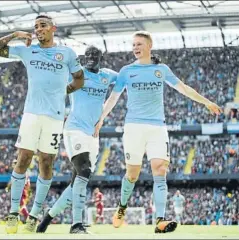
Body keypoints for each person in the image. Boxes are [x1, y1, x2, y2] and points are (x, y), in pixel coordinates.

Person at [94, 30, 222, 233]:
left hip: (158, 127)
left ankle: (160, 220)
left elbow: (184, 88)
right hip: (134, 128)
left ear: (149, 46)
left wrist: (206, 102)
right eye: (133, 44)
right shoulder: (126, 71)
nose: (135, 48)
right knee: (132, 175)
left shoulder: (161, 69)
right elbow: (113, 98)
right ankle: (122, 207)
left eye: (139, 44)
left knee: (160, 170)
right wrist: (100, 119)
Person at [0, 15, 84, 234]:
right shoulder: (27, 50)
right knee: (23, 159)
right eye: (35, 27)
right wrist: (15, 34)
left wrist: (63, 91)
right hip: (31, 114)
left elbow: (79, 79)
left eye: (43, 26)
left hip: (55, 116)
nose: (38, 30)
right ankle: (13, 213)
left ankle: (33, 215)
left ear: (53, 28)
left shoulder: (67, 53)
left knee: (47, 163)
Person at [35, 45, 118, 234]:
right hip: (74, 129)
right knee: (84, 170)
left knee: (77, 182)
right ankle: (76, 224)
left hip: (93, 134)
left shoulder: (107, 76)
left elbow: (126, 77)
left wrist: (149, 64)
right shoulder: (77, 74)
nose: (90, 57)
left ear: (100, 57)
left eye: (94, 55)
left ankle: (47, 218)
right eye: (87, 54)